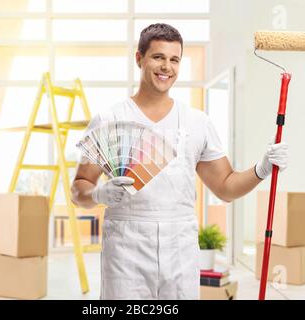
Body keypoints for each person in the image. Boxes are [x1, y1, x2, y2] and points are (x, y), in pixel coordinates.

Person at [71, 23, 288, 299]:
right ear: (139, 59)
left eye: (174, 60)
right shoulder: (110, 120)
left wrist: (262, 168)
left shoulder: (196, 122)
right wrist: (99, 193)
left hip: (180, 247)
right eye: (158, 57)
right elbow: (79, 189)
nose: (167, 67)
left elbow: (225, 187)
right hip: (126, 248)